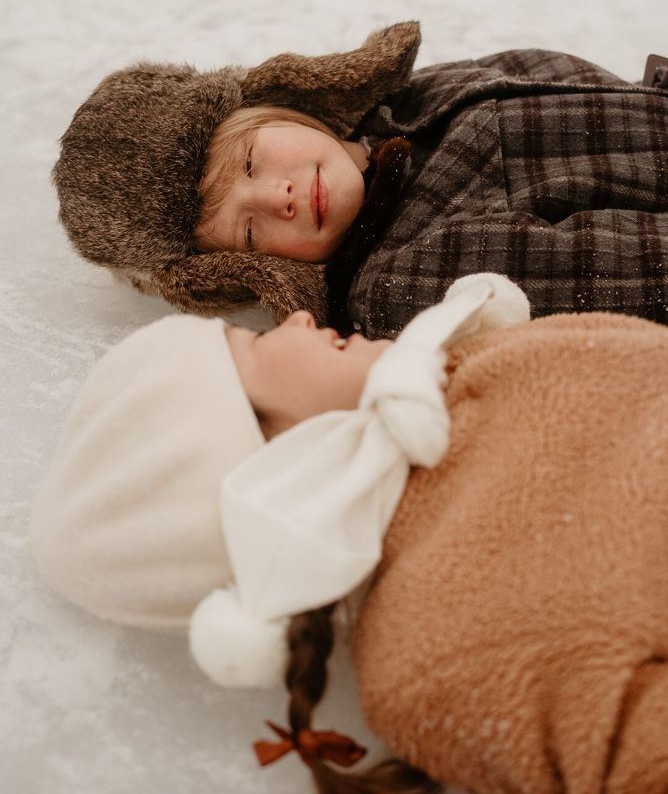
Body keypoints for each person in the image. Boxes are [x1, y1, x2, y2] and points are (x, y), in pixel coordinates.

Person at [30, 274, 668, 793]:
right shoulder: (424, 660)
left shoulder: (463, 366)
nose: (298, 318)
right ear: (252, 449)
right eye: (254, 342)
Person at [53, 23, 668, 335]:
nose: (277, 197)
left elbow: (570, 79)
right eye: (248, 231)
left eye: (250, 162)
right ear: (247, 271)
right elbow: (622, 274)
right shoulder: (398, 282)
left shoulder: (417, 97)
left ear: (266, 108)